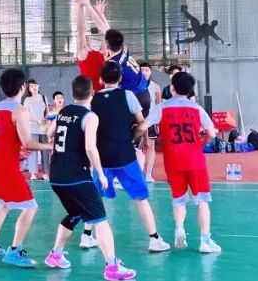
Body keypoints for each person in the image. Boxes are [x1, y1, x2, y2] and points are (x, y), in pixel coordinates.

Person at [43, 76, 137, 281]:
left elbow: (49, 133)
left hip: (56, 176)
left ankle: (56, 255)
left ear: (72, 93)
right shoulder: (90, 116)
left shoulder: (63, 111)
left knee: (75, 213)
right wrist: (101, 174)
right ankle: (112, 267)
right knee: (100, 220)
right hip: (77, 176)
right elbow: (90, 148)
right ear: (92, 93)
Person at [91, 61, 171, 252]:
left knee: (95, 198)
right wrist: (139, 137)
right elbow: (142, 123)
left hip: (101, 157)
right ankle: (154, 238)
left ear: (101, 79)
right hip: (125, 155)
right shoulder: (128, 95)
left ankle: (87, 236)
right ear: (120, 78)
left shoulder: (94, 99)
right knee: (141, 197)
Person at [0, 69, 53, 267]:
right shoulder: (20, 110)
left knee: (4, 204)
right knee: (30, 207)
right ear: (22, 87)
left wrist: (16, 152)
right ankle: (14, 251)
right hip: (3, 167)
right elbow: (28, 143)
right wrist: (50, 146)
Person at [148, 72, 221, 253]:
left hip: (173, 161)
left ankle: (179, 229)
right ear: (190, 90)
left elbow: (145, 125)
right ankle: (205, 241)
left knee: (178, 199)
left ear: (172, 88)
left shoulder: (161, 108)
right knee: (202, 200)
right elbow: (212, 133)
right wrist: (201, 143)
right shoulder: (197, 109)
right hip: (195, 160)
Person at [74, 0, 108, 92]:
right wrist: (80, 7)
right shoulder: (82, 55)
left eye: (87, 37)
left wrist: (101, 14)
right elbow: (80, 29)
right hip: (90, 94)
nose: (86, 38)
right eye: (84, 38)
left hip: (103, 93)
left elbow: (106, 34)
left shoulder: (101, 54)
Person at [139, 62, 163, 182]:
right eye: (142, 70)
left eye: (146, 70)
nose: (144, 72)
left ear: (150, 72)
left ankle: (148, 173)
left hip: (150, 120)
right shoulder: (133, 85)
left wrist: (158, 122)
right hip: (136, 120)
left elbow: (159, 105)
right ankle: (137, 172)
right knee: (135, 148)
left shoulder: (156, 87)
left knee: (150, 146)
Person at [22, 79, 51, 181]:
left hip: (43, 128)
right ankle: (33, 173)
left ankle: (46, 173)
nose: (34, 88)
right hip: (32, 128)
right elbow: (26, 115)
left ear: (38, 86)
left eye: (35, 85)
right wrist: (36, 120)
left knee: (45, 151)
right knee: (33, 151)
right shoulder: (27, 100)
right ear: (28, 89)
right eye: (31, 86)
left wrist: (46, 120)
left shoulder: (43, 97)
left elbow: (47, 112)